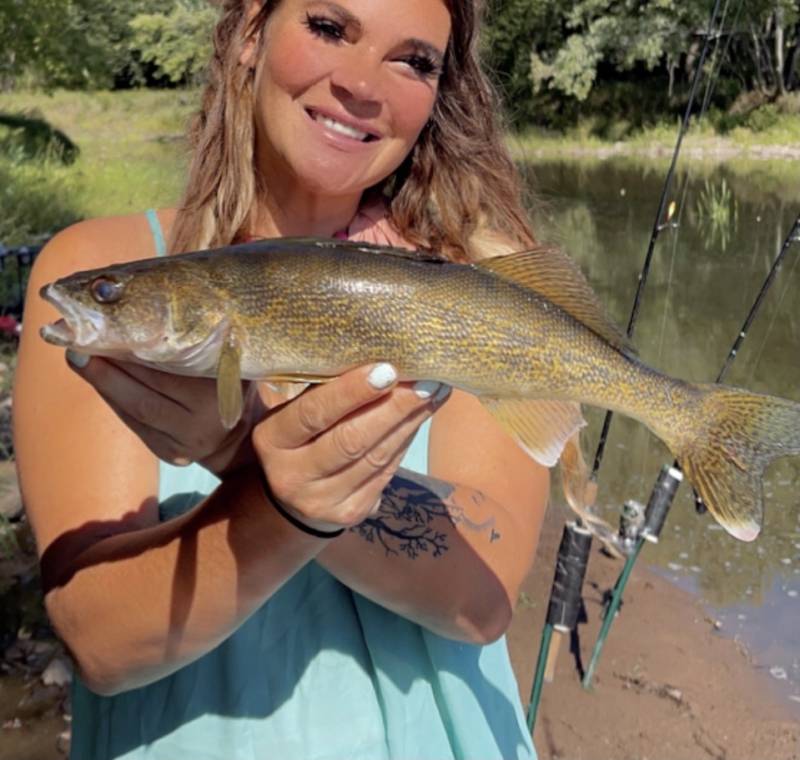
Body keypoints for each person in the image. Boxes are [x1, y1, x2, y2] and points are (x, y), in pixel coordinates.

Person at [14, 1, 553, 757]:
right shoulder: (100, 267)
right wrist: (275, 497)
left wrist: (244, 454)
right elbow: (101, 646)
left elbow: (480, 601)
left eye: (413, 61)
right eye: (330, 28)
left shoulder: (471, 285)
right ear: (246, 36)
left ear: (438, 95)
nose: (363, 84)